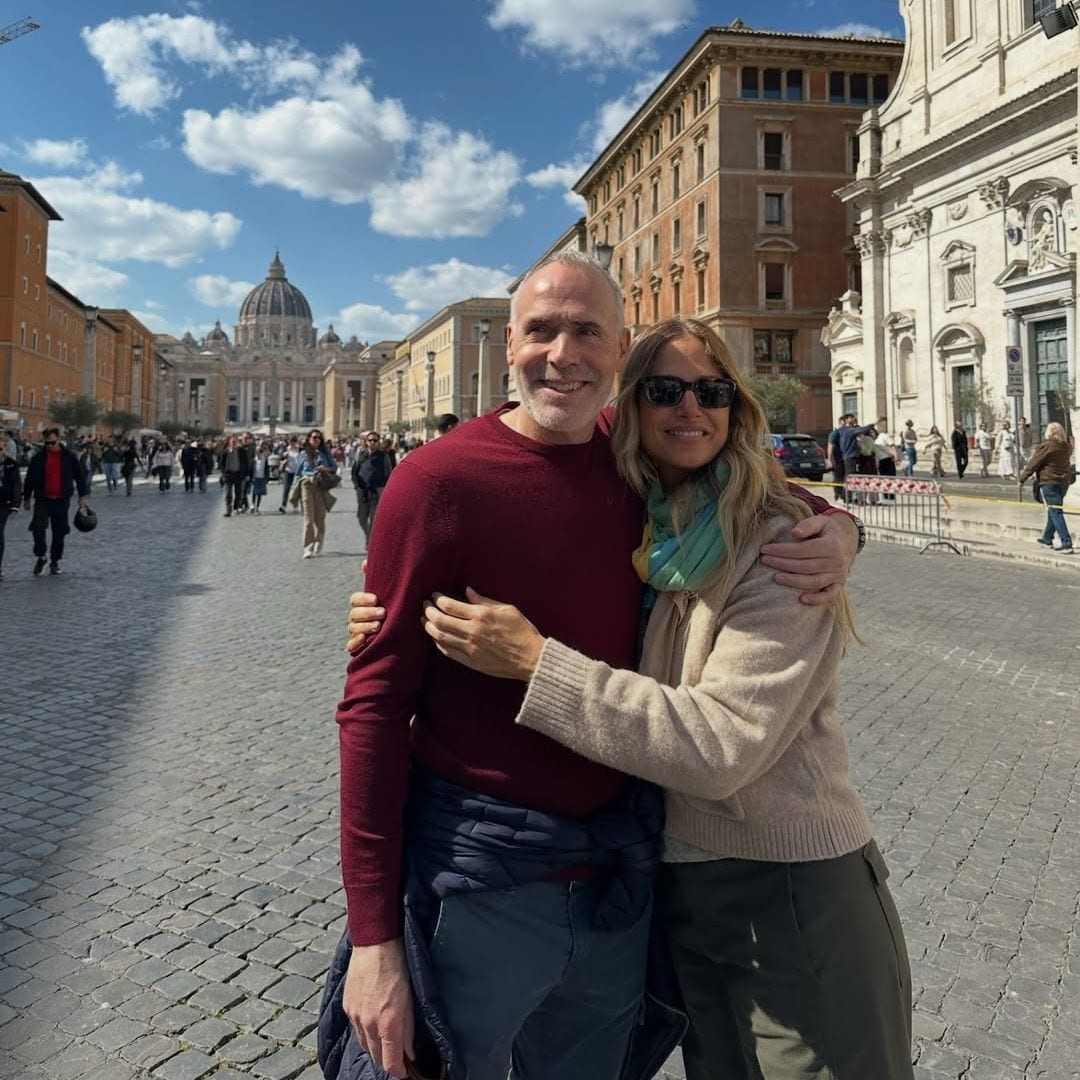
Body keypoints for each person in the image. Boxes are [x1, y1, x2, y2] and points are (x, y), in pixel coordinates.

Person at [335, 254, 862, 1080]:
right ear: (508, 344)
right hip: (481, 879)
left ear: (618, 350)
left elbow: (741, 469)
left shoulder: (635, 469)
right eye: (542, 329)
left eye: (586, 332)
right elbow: (370, 711)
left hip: (623, 881)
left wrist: (837, 522)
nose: (563, 352)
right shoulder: (432, 481)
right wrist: (373, 938)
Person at [22, 428, 91, 576]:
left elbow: (80, 476)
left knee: (59, 531)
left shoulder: (69, 457)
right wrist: (26, 497)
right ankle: (41, 556)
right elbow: (30, 479)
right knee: (38, 527)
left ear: (59, 439)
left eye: (52, 443)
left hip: (61, 499)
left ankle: (55, 560)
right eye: (46, 443)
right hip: (43, 498)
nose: (49, 446)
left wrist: (82, 496)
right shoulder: (38, 458)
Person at [1019, 422, 1073, 554]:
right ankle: (1047, 538)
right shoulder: (1066, 447)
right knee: (1054, 510)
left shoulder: (1046, 446)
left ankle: (1066, 542)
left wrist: (1022, 479)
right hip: (1063, 483)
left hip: (1049, 482)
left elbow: (1034, 463)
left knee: (1055, 512)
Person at [291, 428, 336, 557]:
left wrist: (325, 468)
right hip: (306, 485)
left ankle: (319, 541)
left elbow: (334, 467)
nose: (316, 439)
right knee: (308, 518)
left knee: (320, 518)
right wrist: (294, 489)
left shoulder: (325, 453)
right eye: (313, 437)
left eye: (318, 437)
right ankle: (308, 547)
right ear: (309, 439)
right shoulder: (303, 454)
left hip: (321, 486)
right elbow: (298, 473)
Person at [351, 431, 394, 549]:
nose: (373, 443)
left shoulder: (384, 456)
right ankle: (368, 535)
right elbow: (354, 472)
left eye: (375, 440)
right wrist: (357, 486)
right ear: (366, 442)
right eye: (370, 440)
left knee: (373, 519)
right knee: (361, 517)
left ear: (378, 442)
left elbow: (389, 473)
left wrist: (386, 489)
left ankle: (370, 543)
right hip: (363, 491)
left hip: (377, 491)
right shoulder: (361, 455)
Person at [0, 440, 23, 581]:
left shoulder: (11, 464)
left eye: (0, 448)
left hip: (3, 503)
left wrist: (15, 505)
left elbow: (16, 485)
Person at [218, 435, 249, 517]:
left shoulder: (242, 451)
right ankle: (228, 510)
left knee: (238, 493)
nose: (234, 443)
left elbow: (246, 463)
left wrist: (247, 474)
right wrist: (223, 474)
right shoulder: (225, 452)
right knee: (228, 493)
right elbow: (221, 464)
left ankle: (236, 507)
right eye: (232, 441)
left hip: (238, 474)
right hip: (228, 474)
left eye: (235, 441)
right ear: (229, 442)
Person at [826, 413, 851, 500]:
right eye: (845, 422)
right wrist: (830, 459)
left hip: (845, 459)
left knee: (845, 477)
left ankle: (844, 496)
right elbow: (830, 446)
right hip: (837, 459)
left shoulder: (845, 433)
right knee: (838, 477)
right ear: (841, 422)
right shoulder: (835, 433)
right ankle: (838, 494)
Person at [279, 436, 301, 513]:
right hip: (288, 472)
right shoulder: (286, 449)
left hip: (297, 472)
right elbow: (280, 458)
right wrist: (284, 457)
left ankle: (295, 506)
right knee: (286, 489)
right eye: (291, 441)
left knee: (296, 490)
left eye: (294, 441)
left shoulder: (299, 449)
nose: (292, 443)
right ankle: (283, 506)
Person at [250, 440, 270, 514]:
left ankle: (257, 507)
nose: (258, 451)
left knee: (259, 493)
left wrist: (267, 477)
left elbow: (267, 467)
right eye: (257, 450)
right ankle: (252, 505)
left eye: (259, 450)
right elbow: (251, 468)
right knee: (254, 492)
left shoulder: (264, 457)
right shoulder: (254, 459)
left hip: (262, 477)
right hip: (255, 477)